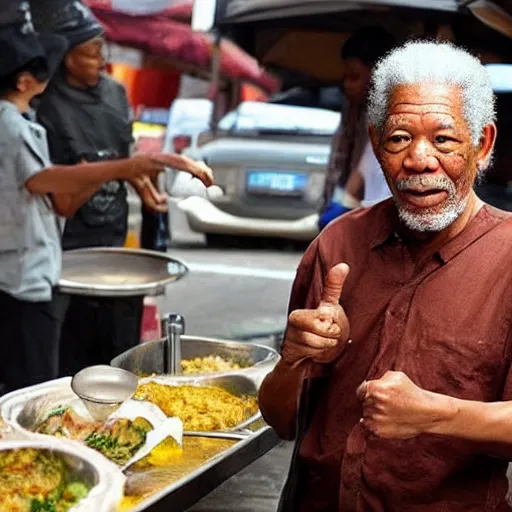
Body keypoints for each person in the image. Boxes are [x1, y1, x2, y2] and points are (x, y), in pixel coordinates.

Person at [260, 41, 512, 511]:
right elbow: (281, 420)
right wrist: (293, 361)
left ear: (482, 145)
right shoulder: (337, 245)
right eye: (398, 138)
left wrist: (437, 416)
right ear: (376, 144)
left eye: (444, 139)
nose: (419, 160)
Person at [0, 13, 213, 394]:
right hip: (25, 275)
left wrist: (131, 173)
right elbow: (46, 183)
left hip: (40, 266)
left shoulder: (31, 117)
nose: (102, 61)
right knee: (33, 382)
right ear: (24, 80)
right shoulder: (12, 125)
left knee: (96, 349)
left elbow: (60, 194)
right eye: (91, 52)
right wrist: (124, 167)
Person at [30, 1, 174, 376]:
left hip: (113, 236)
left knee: (117, 350)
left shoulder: (115, 95)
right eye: (90, 53)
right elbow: (56, 188)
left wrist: (147, 190)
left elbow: (125, 159)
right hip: (65, 245)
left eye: (101, 50)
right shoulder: (43, 104)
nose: (100, 60)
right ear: (64, 57)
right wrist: (108, 172)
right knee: (65, 356)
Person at [319, 27, 395, 229]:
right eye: (344, 77)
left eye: (354, 77)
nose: (346, 85)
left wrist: (344, 204)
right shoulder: (353, 116)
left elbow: (364, 169)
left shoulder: (390, 120)